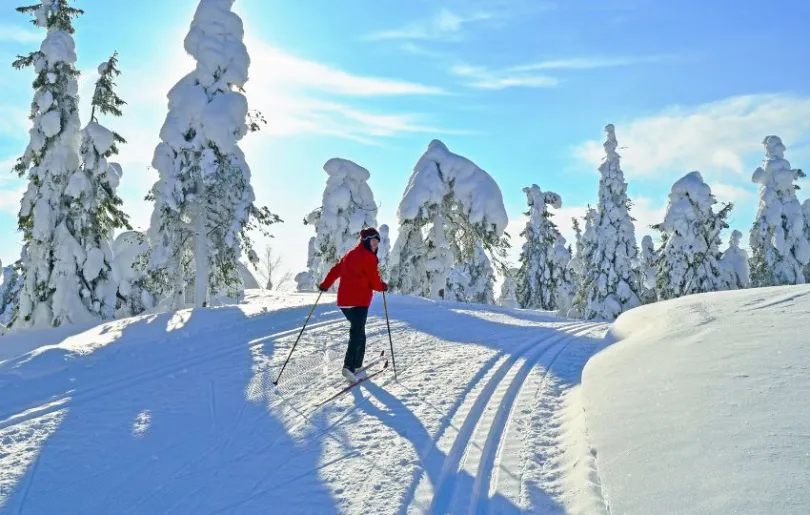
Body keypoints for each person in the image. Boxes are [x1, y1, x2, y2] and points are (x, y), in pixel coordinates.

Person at [319, 227, 388, 383]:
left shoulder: (350, 254)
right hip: (359, 302)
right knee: (357, 333)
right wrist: (382, 286)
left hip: (344, 303)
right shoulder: (368, 257)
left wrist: (325, 284)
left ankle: (357, 364)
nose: (375, 245)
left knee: (359, 331)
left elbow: (336, 270)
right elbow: (374, 280)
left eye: (377, 242)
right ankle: (348, 366)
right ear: (365, 241)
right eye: (373, 241)